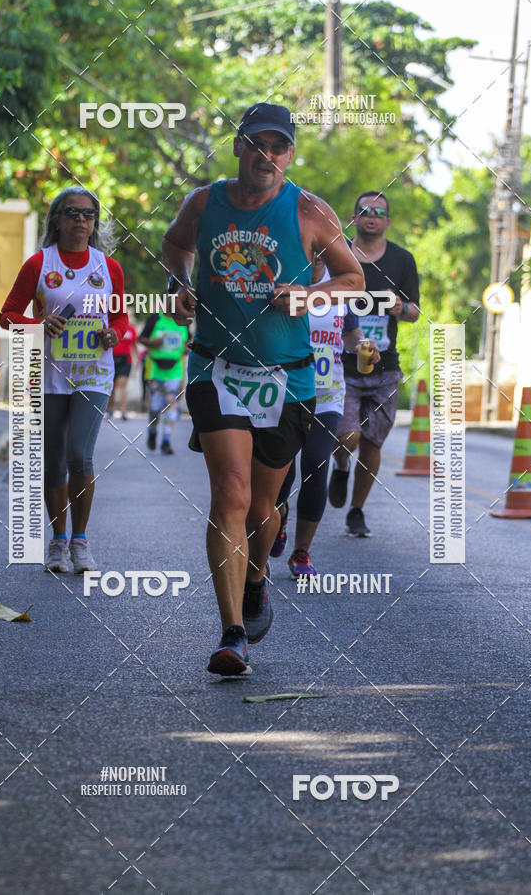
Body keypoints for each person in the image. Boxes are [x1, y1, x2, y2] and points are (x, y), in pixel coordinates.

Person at [162, 102, 364, 676]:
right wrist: (179, 283)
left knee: (261, 506)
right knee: (229, 490)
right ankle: (230, 636)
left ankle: (256, 577)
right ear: (238, 147)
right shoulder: (203, 203)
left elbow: (353, 278)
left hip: (288, 376)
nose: (266, 156)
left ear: (289, 156)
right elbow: (175, 246)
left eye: (278, 148)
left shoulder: (307, 211)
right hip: (216, 367)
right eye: (257, 144)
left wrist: (310, 296)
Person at [0, 186, 128, 573]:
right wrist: (38, 324)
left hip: (94, 374)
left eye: (89, 214)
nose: (81, 220)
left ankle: (80, 541)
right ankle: (57, 541)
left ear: (95, 222)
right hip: (49, 374)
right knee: (54, 461)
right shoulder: (39, 264)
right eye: (72, 212)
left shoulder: (109, 268)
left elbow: (120, 317)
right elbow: (7, 315)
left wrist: (114, 334)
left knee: (79, 454)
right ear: (57, 219)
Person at [272, 271, 380, 576]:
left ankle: (301, 552)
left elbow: (351, 334)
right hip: (285, 391)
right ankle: (277, 518)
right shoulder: (288, 271)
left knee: (317, 464)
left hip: (327, 393)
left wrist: (363, 345)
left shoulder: (342, 281)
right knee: (280, 470)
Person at [328, 191, 420, 536]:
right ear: (354, 218)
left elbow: (415, 311)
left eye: (379, 212)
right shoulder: (336, 254)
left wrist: (400, 308)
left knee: (372, 443)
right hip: (341, 363)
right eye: (365, 210)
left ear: (387, 221)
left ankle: (356, 510)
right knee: (347, 436)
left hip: (385, 368)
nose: (372, 216)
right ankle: (340, 465)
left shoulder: (402, 260)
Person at [138, 311, 190, 454]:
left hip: (175, 370)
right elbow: (141, 338)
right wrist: (153, 343)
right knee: (155, 407)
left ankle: (166, 440)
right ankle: (153, 432)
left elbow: (189, 342)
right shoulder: (155, 319)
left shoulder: (183, 320)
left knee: (171, 405)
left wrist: (188, 348)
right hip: (155, 369)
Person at [106, 323, 139, 420]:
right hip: (111, 360)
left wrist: (138, 359)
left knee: (122, 386)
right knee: (112, 387)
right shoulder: (110, 326)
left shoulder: (131, 329)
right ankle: (110, 409)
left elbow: (134, 345)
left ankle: (123, 411)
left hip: (126, 361)